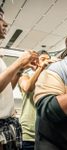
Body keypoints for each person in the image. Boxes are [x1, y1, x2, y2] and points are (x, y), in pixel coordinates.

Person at [0, 7, 38, 150]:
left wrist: (20, 69)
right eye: (0, 18)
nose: (5, 24)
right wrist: (18, 62)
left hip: (7, 125)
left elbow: (7, 88)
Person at [18, 50, 51, 150]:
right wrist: (42, 67)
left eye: (48, 60)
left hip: (46, 135)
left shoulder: (51, 81)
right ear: (36, 62)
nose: (46, 62)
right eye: (43, 59)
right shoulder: (25, 77)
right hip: (28, 135)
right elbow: (28, 88)